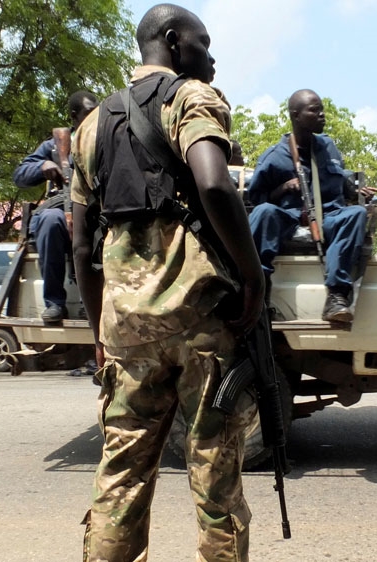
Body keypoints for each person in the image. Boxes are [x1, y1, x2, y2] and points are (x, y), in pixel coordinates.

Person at [68, 4, 264, 561]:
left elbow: (83, 248)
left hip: (127, 330)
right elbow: (215, 185)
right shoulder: (190, 98)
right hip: (201, 325)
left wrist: (100, 329)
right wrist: (251, 277)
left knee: (120, 479)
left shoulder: (90, 127)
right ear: (175, 41)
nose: (212, 58)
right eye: (204, 44)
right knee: (216, 478)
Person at [246, 89, 377, 323]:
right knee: (263, 212)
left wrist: (355, 192)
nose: (322, 115)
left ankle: (336, 298)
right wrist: (283, 188)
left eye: (322, 109)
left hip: (329, 216)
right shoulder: (274, 157)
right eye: (314, 110)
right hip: (291, 219)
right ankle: (257, 293)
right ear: (296, 115)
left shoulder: (328, 147)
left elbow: (340, 181)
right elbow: (256, 198)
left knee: (356, 213)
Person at [12, 90, 99, 322]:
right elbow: (19, 175)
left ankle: (92, 303)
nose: (94, 118)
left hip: (93, 211)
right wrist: (42, 167)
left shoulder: (104, 141)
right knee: (50, 221)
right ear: (74, 116)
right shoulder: (53, 146)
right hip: (59, 211)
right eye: (89, 113)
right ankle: (55, 303)